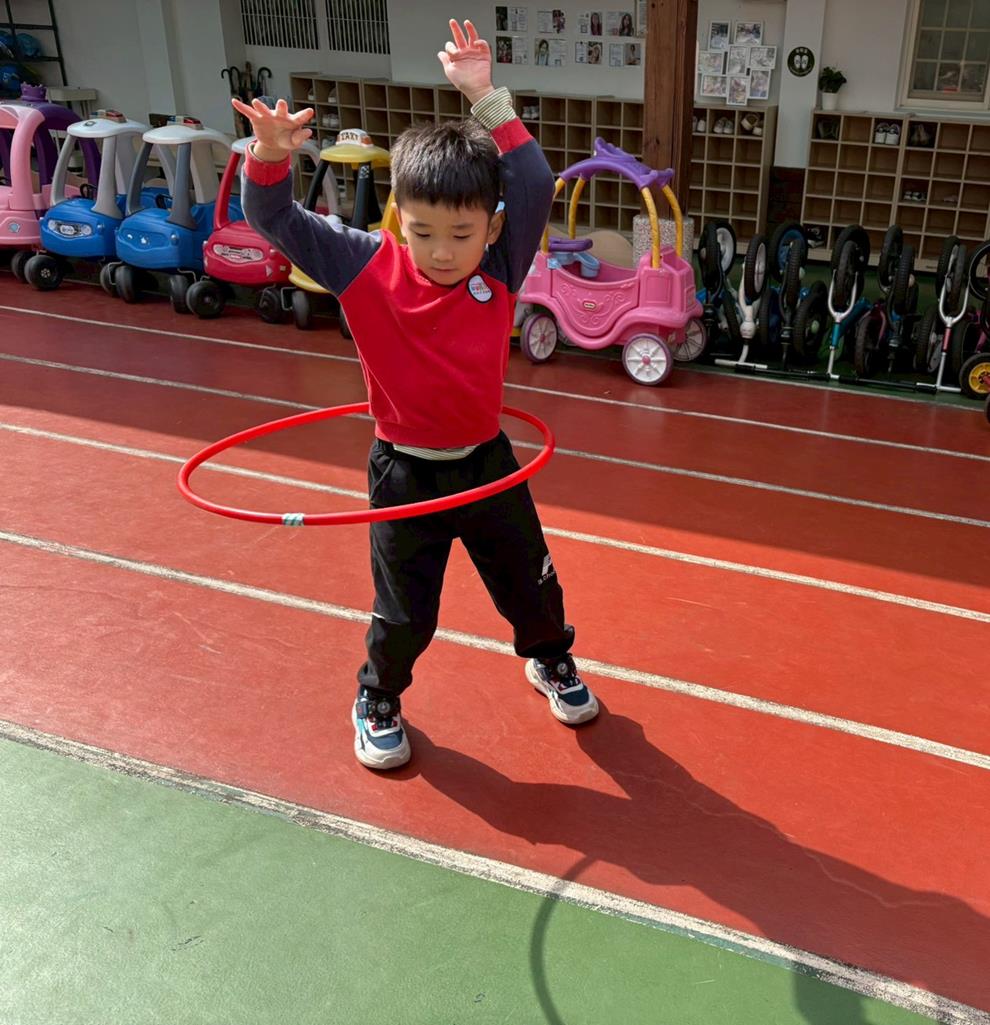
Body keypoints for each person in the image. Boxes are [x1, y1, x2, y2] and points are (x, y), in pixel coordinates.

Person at [232, 19, 598, 772]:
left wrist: (483, 95)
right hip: (404, 472)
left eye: (461, 234)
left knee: (531, 585)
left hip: (489, 464)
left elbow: (534, 181)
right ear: (398, 215)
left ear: (491, 227)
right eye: (424, 231)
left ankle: (550, 658)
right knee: (405, 612)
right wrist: (268, 156)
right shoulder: (363, 265)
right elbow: (273, 217)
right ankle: (377, 697)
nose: (441, 251)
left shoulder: (501, 265)